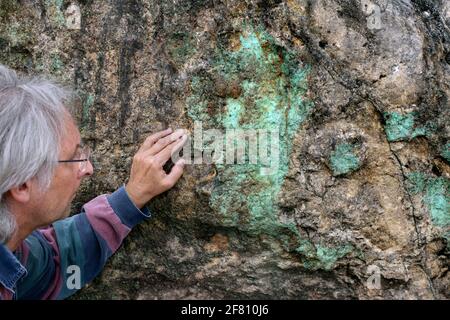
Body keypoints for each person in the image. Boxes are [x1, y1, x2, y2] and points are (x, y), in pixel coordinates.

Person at [0, 64, 188, 300]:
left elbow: (57, 264)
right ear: (22, 185)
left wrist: (130, 199)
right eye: (75, 157)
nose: (88, 169)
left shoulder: (13, 254)